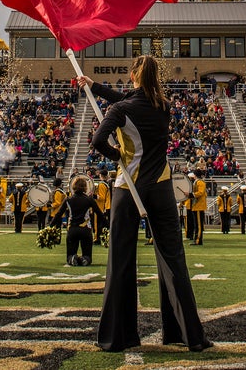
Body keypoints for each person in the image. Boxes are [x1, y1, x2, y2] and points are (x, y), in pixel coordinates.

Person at [78, 55, 211, 353]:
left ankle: (119, 336)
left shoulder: (120, 109)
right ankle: (188, 335)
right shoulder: (163, 106)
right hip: (162, 188)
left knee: (121, 260)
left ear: (133, 76)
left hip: (129, 188)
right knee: (173, 258)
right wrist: (94, 86)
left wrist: (117, 157)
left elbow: (98, 141)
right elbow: (131, 98)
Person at [50, 176, 105, 266]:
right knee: (88, 255)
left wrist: (50, 226)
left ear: (73, 186)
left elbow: (59, 214)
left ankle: (72, 258)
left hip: (72, 229)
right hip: (86, 229)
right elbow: (99, 214)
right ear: (85, 187)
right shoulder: (89, 199)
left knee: (70, 254)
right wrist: (108, 226)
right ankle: (85, 259)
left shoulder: (68, 199)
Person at [187, 172, 207, 246]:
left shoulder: (200, 182)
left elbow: (200, 192)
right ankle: (197, 239)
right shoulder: (197, 182)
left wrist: (190, 194)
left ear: (195, 175)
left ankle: (198, 240)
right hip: (196, 206)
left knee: (198, 225)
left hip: (199, 206)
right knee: (197, 224)